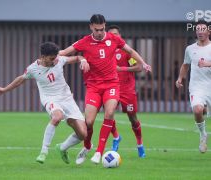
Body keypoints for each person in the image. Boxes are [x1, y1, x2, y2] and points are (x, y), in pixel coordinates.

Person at [59, 14, 151, 164]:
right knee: (88, 122)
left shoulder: (113, 39)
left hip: (111, 84)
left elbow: (131, 51)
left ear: (105, 26)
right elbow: (64, 52)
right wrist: (46, 58)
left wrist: (144, 63)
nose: (100, 32)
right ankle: (87, 147)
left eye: (102, 29)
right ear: (91, 27)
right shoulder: (84, 42)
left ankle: (99, 152)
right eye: (97, 29)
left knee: (109, 113)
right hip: (94, 86)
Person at [0, 42, 90, 164]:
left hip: (67, 99)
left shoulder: (59, 60)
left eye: (55, 58)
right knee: (57, 117)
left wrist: (83, 60)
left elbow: (77, 57)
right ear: (43, 57)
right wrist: (5, 89)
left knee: (83, 134)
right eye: (51, 59)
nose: (54, 61)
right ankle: (44, 151)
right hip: (50, 99)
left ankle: (62, 147)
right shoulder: (33, 68)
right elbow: (20, 80)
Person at [107, 25, 146, 158]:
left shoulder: (126, 51)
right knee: (109, 114)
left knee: (133, 118)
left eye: (116, 34)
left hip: (127, 90)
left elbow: (139, 67)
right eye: (111, 34)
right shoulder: (105, 51)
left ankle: (140, 144)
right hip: (111, 88)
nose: (114, 36)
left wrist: (121, 69)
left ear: (120, 36)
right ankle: (116, 137)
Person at [176, 20, 211, 153]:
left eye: (203, 29)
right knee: (197, 110)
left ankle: (205, 108)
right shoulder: (190, 49)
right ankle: (203, 134)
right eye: (198, 29)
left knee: (201, 110)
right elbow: (185, 65)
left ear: (208, 31)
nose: (200, 32)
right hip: (197, 86)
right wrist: (180, 78)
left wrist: (207, 64)